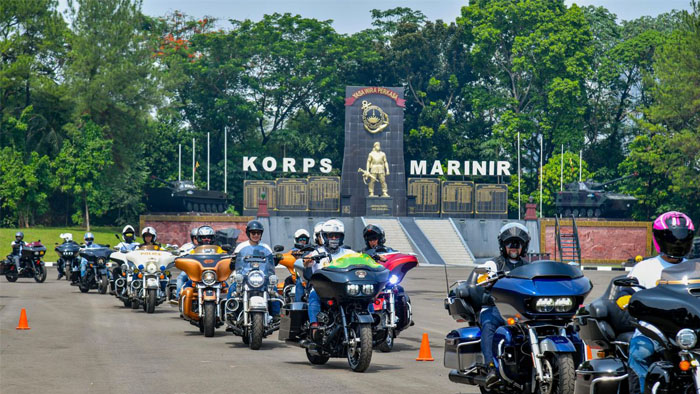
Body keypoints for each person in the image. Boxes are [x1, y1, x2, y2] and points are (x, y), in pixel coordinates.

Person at [627, 211, 695, 392]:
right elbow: (625, 293)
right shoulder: (644, 268)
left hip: (689, 334)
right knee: (640, 353)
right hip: (653, 333)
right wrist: (625, 299)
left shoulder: (694, 268)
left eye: (682, 238)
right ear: (660, 239)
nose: (677, 242)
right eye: (672, 238)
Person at [479, 222, 531, 388]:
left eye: (518, 244)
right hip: (497, 308)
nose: (514, 247)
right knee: (489, 325)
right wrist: (486, 280)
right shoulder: (494, 264)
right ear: (503, 245)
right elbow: (481, 280)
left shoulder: (530, 267)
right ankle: (491, 368)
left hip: (521, 311)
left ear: (524, 246)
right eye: (510, 244)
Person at [304, 219, 355, 332]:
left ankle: (371, 324)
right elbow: (307, 262)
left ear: (341, 237)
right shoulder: (317, 252)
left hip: (343, 289)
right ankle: (315, 326)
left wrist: (372, 260)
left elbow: (362, 258)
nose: (334, 238)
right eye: (331, 235)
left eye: (336, 236)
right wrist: (307, 260)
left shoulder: (348, 253)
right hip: (323, 289)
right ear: (325, 237)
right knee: (313, 295)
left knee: (364, 297)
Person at [228, 220, 277, 318]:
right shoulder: (241, 247)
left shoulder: (265, 247)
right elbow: (236, 262)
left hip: (261, 277)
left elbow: (270, 263)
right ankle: (230, 311)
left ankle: (276, 314)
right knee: (233, 288)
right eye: (253, 233)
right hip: (245, 277)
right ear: (248, 233)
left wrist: (276, 259)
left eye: (258, 233)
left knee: (273, 289)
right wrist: (233, 260)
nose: (256, 235)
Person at [173, 227, 200, 303]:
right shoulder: (187, 246)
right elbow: (179, 254)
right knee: (181, 277)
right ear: (192, 238)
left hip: (203, 270)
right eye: (195, 238)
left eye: (199, 238)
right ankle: (179, 296)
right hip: (190, 269)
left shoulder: (207, 247)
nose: (197, 240)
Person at [291, 229, 311, 302]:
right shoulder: (293, 251)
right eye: (300, 239)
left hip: (308, 274)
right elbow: (286, 256)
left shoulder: (312, 250)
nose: (302, 241)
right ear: (296, 240)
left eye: (304, 239)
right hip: (296, 274)